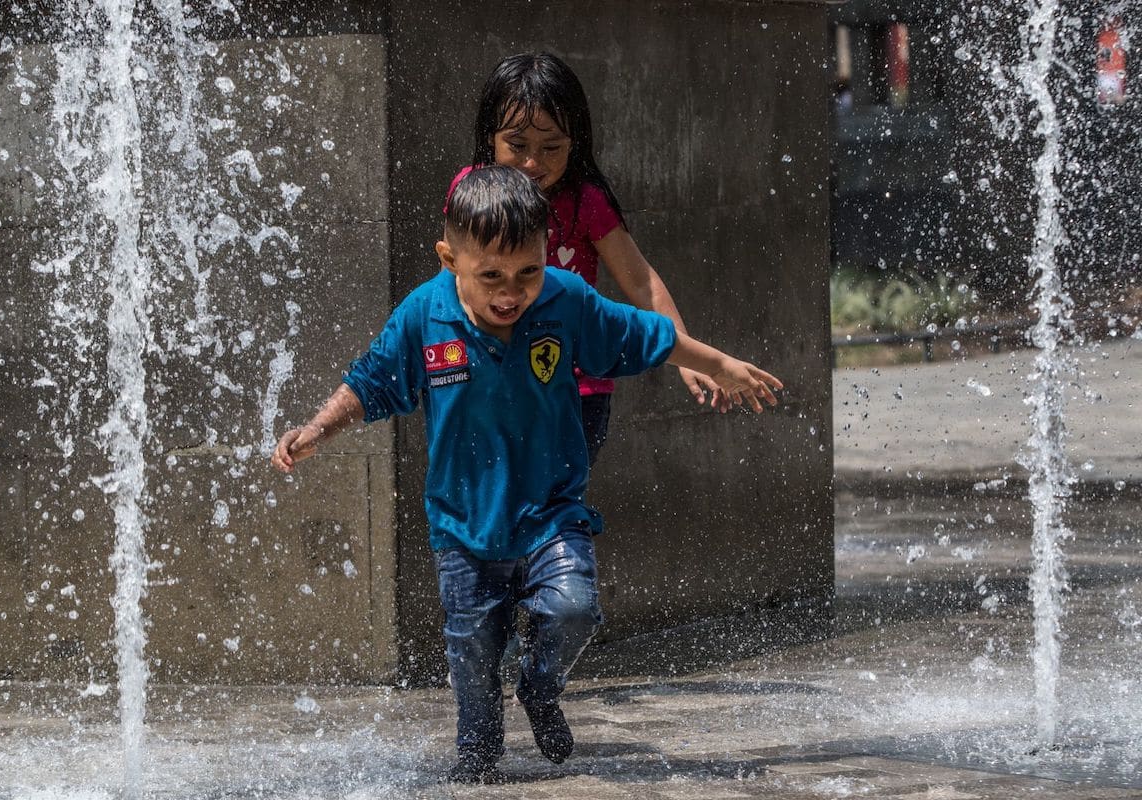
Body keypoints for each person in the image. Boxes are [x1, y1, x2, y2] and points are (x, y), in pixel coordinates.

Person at [272, 166, 781, 784]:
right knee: (473, 662)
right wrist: (319, 429)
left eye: (528, 272)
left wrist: (720, 363)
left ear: (545, 255)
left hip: (551, 511)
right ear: (450, 258)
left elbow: (647, 333)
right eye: (491, 276)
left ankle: (541, 688)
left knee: (573, 609)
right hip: (464, 528)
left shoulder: (566, 301)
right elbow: (370, 381)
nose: (511, 292)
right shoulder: (424, 317)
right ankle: (478, 759)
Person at [448, 52, 740, 467]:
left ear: (575, 144)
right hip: (489, 381)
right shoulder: (469, 194)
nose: (533, 162)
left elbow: (640, 281)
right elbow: (450, 282)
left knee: (551, 505)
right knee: (493, 507)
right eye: (517, 145)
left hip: (574, 392)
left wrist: (686, 354)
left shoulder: (583, 202)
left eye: (551, 147)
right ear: (489, 137)